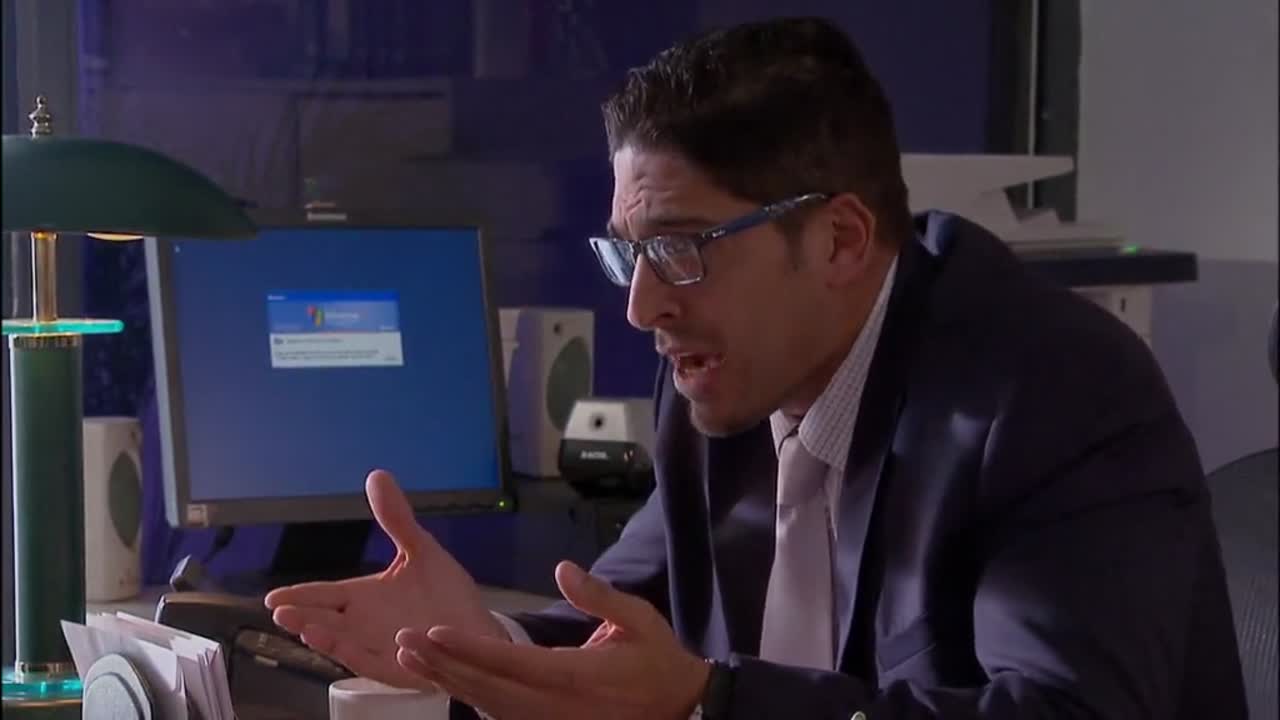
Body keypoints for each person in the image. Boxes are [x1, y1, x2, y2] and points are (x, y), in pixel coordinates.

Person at [265, 16, 1247, 719]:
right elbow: (626, 632)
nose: (642, 307)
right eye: (629, 253)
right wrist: (485, 641)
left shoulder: (1054, 393)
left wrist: (708, 703)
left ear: (839, 241)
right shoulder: (719, 375)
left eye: (680, 247)